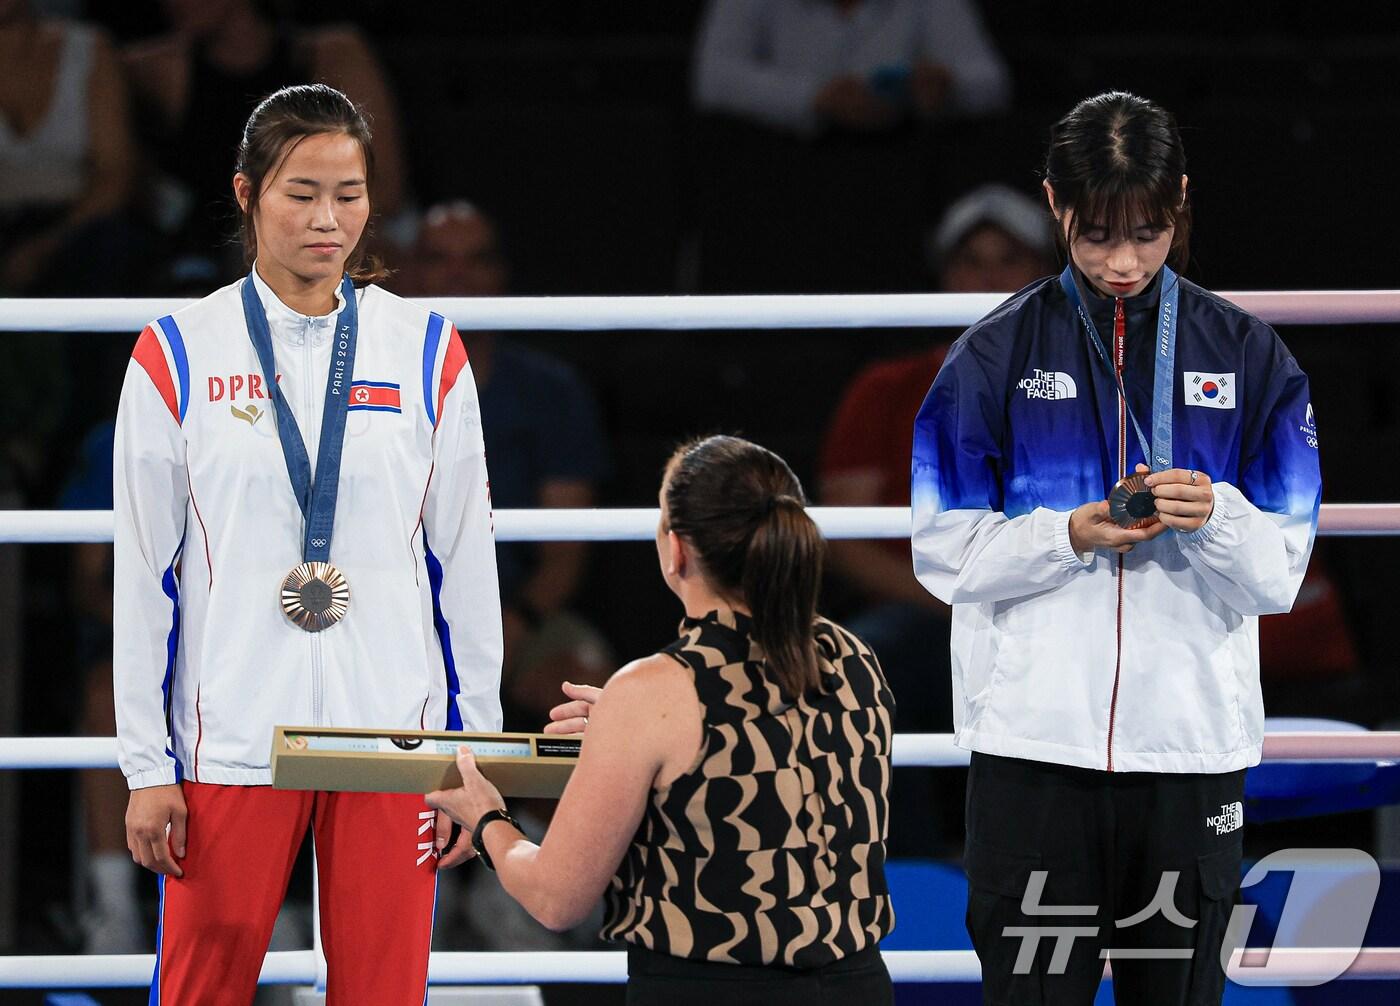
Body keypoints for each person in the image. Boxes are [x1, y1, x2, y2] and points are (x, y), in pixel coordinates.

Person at [911, 91, 1321, 1004]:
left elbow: (1281, 573)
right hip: (1033, 754)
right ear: (1056, 205)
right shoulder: (987, 357)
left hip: (1188, 754)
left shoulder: (1252, 357)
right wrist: (1066, 534)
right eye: (1096, 235)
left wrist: (1215, 515)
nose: (1124, 261)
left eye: (1147, 231)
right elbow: (943, 556)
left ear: (1180, 198)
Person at [113, 83, 501, 1004]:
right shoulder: (178, 351)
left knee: (383, 991)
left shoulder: (426, 348)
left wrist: (472, 750)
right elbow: (141, 575)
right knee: (202, 989)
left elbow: (466, 565)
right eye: (302, 194)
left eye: (351, 194)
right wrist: (144, 765)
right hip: (232, 732)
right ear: (247, 194)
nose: (330, 220)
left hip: (394, 735)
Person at [426, 436, 896, 1005]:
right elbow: (775, 748)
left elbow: (555, 898)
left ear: (676, 550)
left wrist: (486, 819)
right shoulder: (851, 655)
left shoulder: (655, 691)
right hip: (859, 987)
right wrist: (636, 736)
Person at [819, 183, 1054, 856]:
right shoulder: (886, 388)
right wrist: (955, 602)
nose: (986, 277)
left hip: (1058, 607)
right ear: (944, 276)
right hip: (924, 611)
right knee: (856, 665)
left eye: (1007, 258)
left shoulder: (1091, 385)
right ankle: (910, 884)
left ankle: (1059, 874)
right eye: (970, 260)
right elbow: (846, 536)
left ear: (1044, 270)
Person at [123, 0, 407, 287]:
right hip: (202, 249)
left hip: (320, 233)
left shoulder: (330, 53)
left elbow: (384, 186)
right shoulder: (156, 69)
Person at [0, 0, 139, 295]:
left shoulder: (87, 50)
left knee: (108, 246)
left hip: (78, 224)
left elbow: (115, 173)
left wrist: (48, 244)